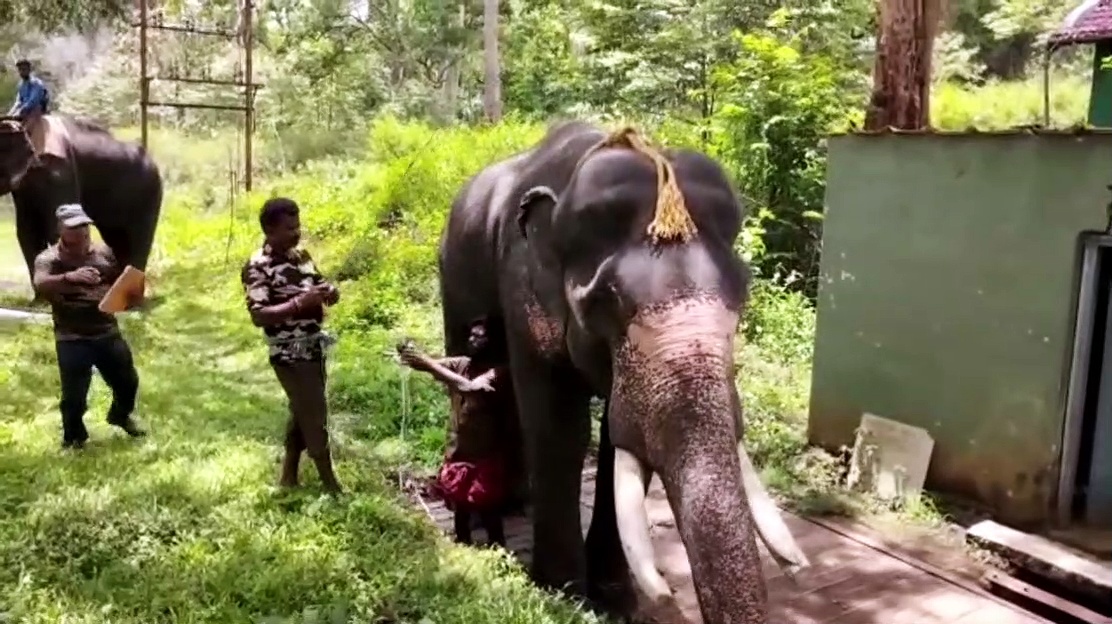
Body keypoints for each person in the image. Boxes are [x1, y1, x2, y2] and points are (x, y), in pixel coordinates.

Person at [241, 197, 343, 494]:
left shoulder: (302, 256)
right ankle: (331, 485)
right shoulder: (258, 266)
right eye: (289, 228)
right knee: (315, 415)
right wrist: (300, 303)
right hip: (289, 352)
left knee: (302, 411)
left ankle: (288, 476)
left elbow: (322, 288)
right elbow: (259, 315)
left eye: (298, 226)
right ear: (269, 229)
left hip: (314, 347)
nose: (296, 233)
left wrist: (330, 293)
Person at [397, 317, 522, 547]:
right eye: (471, 336)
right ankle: (463, 550)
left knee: (489, 511)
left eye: (479, 337)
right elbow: (430, 365)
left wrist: (425, 361)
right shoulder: (462, 364)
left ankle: (500, 554)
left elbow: (470, 387)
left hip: (485, 457)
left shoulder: (499, 372)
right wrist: (408, 351)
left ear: (492, 343)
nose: (472, 341)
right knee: (460, 511)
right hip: (458, 455)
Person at [31, 204, 147, 450]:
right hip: (71, 336)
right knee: (74, 397)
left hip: (106, 331)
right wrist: (68, 278)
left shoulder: (104, 253)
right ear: (61, 229)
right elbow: (40, 284)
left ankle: (120, 414)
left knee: (128, 382)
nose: (82, 232)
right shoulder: (49, 259)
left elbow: (120, 282)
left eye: (84, 226)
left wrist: (131, 294)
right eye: (74, 227)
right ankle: (74, 439)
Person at [7, 59, 50, 161]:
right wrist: (10, 114)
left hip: (35, 110)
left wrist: (21, 111)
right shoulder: (21, 85)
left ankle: (34, 156)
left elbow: (33, 101)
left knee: (24, 130)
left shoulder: (36, 83)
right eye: (20, 70)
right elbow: (18, 101)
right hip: (23, 111)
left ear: (29, 70)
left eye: (24, 69)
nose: (22, 72)